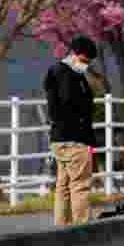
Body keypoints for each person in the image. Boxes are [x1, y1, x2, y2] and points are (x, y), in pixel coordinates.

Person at [44, 35, 98, 225]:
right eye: (84, 60)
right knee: (80, 186)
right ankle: (81, 230)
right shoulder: (70, 75)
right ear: (74, 55)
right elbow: (72, 103)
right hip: (75, 137)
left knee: (63, 186)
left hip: (58, 138)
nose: (86, 65)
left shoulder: (55, 71)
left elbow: (54, 107)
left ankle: (61, 229)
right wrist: (88, 138)